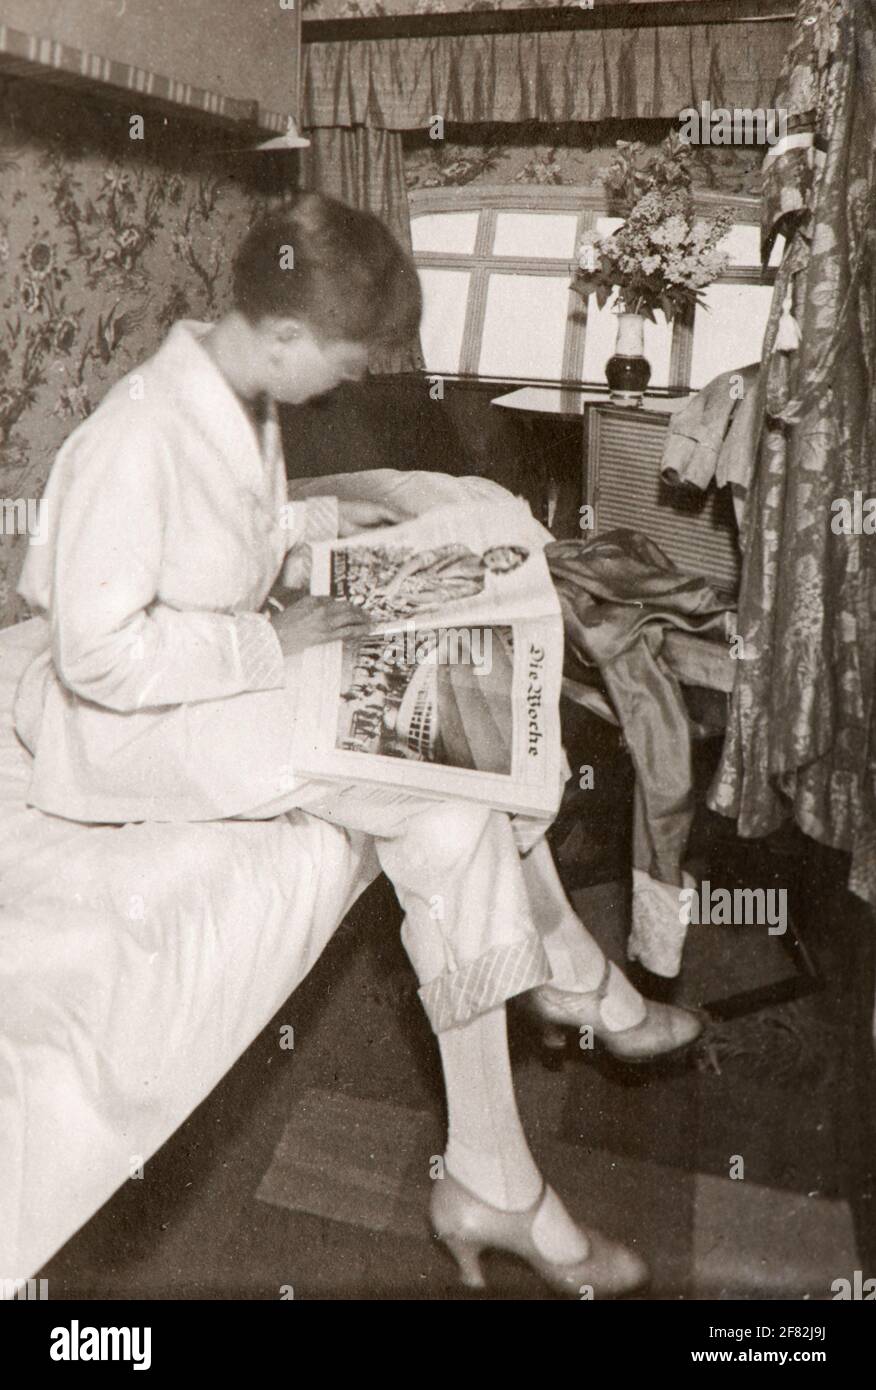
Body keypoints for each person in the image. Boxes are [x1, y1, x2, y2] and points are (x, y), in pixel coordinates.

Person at [14, 193, 700, 1297]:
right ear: (286, 335)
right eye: (342, 364)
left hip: (202, 687)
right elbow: (94, 654)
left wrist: (319, 528)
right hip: (124, 731)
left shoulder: (237, 394)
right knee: (444, 761)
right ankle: (558, 1004)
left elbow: (222, 532)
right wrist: (267, 641)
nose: (345, 386)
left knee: (451, 806)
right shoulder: (133, 436)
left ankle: (491, 1170)